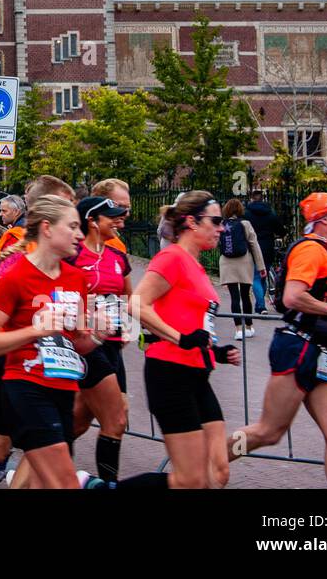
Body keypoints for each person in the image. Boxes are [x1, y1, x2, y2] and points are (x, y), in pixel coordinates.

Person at [0, 195, 103, 489]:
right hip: (26, 384)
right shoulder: (16, 276)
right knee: (61, 481)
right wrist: (35, 331)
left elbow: (80, 344)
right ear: (48, 228)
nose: (80, 234)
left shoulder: (76, 279)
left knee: (14, 462)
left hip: (63, 387)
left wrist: (97, 334)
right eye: (73, 226)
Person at [231, 193, 327, 489]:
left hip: (320, 351)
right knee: (268, 432)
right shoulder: (311, 250)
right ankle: (209, 462)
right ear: (324, 218)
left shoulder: (325, 250)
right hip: (298, 349)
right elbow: (292, 296)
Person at [127, 190, 240, 489]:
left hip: (198, 375)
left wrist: (214, 350)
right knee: (190, 479)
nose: (222, 228)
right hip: (170, 375)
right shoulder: (172, 257)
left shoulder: (197, 264)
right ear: (191, 221)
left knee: (218, 473)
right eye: (216, 221)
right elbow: (137, 304)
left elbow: (190, 321)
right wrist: (182, 339)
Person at [69, 196, 132, 483]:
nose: (120, 220)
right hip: (84, 345)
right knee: (116, 420)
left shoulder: (118, 257)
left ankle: (46, 458)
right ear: (92, 222)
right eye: (113, 216)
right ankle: (108, 484)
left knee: (80, 419)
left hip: (113, 345)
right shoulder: (72, 255)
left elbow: (128, 297)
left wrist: (129, 325)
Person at [218, 198, 266, 338]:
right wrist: (261, 266)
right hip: (244, 261)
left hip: (226, 262)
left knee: (234, 296)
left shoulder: (222, 224)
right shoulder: (245, 224)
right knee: (245, 295)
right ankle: (249, 326)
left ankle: (238, 330)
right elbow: (254, 245)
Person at [245, 188, 285, 313]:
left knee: (256, 277)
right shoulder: (270, 213)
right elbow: (281, 230)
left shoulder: (247, 213)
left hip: (252, 247)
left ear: (251, 198)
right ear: (262, 198)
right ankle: (260, 304)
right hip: (268, 247)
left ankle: (261, 306)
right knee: (263, 275)